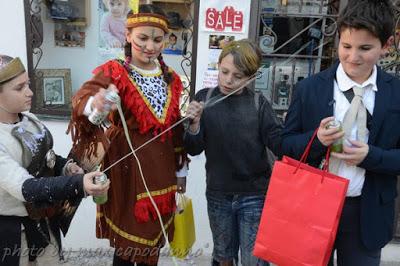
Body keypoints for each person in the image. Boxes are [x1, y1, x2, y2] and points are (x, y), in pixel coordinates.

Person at [68, 4, 188, 266]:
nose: (150, 46)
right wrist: (95, 105)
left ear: (167, 40)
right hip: (128, 170)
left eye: (157, 39)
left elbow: (176, 132)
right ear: (128, 36)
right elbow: (83, 100)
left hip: (163, 172)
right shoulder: (115, 71)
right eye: (142, 38)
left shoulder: (173, 79)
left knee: (152, 245)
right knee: (127, 247)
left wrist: (182, 175)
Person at [281, 0, 400, 265]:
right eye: (346, 46)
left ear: (387, 45)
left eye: (365, 48)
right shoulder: (309, 89)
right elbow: (285, 145)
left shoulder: (396, 94)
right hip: (310, 207)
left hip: (365, 214)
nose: (353, 57)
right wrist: (317, 141)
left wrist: (371, 156)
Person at [0, 55, 110, 265]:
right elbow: (26, 188)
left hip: (44, 223)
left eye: (28, 85)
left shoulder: (30, 119)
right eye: (19, 88)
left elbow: (46, 158)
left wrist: (66, 168)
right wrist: (78, 184)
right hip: (14, 234)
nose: (30, 92)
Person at [184, 39, 282, 266]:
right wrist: (194, 124)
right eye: (224, 71)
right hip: (219, 192)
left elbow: (278, 142)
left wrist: (304, 139)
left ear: (251, 77)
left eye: (237, 76)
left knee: (254, 261)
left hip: (255, 194)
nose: (228, 80)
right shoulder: (204, 97)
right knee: (223, 256)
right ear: (218, 66)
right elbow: (193, 148)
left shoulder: (259, 103)